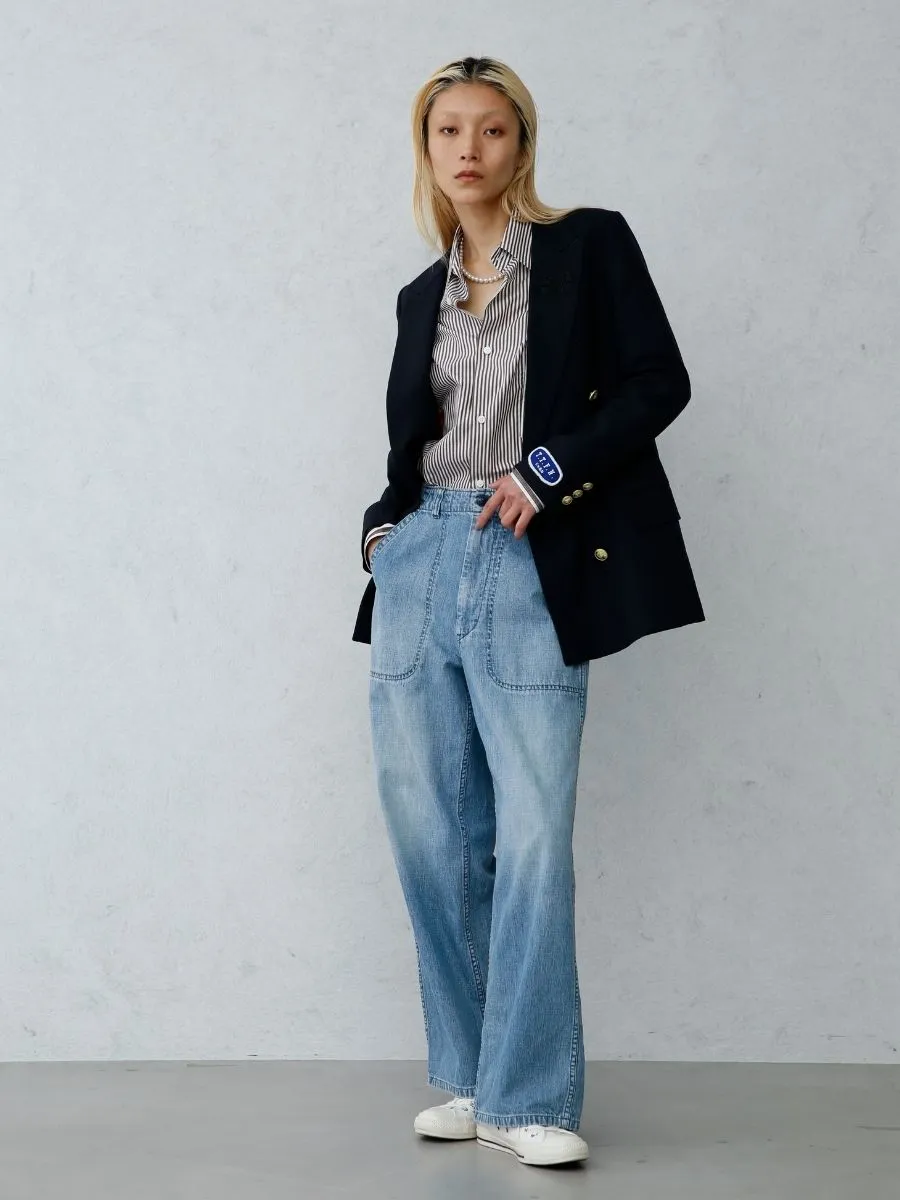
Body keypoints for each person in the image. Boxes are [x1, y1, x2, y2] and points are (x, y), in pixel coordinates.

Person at [351, 55, 705, 1170]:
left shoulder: (588, 247)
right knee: (431, 833)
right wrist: (382, 533)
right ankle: (470, 1077)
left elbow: (658, 382)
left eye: (492, 129)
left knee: (533, 832)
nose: (470, 148)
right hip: (421, 561)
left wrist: (547, 470)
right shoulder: (419, 296)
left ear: (522, 144)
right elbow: (411, 450)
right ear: (427, 149)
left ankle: (531, 1092)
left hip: (528, 556)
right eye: (448, 129)